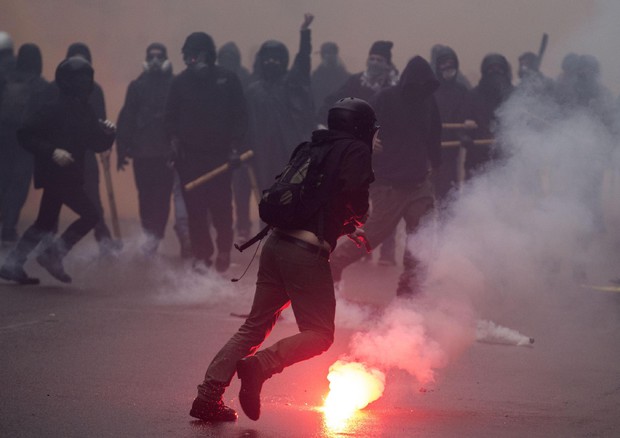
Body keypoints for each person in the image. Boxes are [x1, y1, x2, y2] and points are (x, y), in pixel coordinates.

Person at [189, 97, 376, 422]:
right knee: (319, 333)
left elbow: (314, 200)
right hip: (304, 254)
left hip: (276, 244)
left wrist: (344, 228)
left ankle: (208, 396)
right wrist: (358, 219)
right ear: (361, 128)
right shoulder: (356, 151)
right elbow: (355, 198)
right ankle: (259, 367)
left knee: (255, 325)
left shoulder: (312, 147)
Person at [330, 56, 441, 297]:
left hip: (419, 183)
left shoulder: (429, 102)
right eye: (417, 86)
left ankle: (408, 290)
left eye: (426, 86)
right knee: (372, 237)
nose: (421, 91)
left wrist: (437, 166)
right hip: (388, 184)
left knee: (421, 238)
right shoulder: (386, 98)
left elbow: (434, 137)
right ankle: (333, 265)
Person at [0, 56, 116, 285]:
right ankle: (53, 255)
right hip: (55, 175)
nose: (83, 83)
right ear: (67, 81)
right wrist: (53, 151)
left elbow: (96, 144)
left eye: (85, 78)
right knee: (90, 215)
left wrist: (110, 134)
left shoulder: (86, 110)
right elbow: (25, 134)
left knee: (44, 222)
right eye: (78, 78)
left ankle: (12, 264)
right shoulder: (51, 109)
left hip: (70, 174)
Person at [164, 32, 247, 273]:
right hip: (190, 159)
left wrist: (234, 147)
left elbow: (240, 116)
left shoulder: (228, 80)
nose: (192, 61)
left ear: (208, 55)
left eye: (196, 56)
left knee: (222, 208)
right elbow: (169, 119)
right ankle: (202, 256)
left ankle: (223, 250)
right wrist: (173, 142)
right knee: (195, 212)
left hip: (220, 158)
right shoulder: (180, 83)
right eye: (188, 57)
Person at [319, 40, 399, 265]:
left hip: (388, 158)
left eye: (379, 60)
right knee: (357, 203)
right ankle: (362, 248)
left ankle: (387, 253)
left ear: (387, 64)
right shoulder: (355, 82)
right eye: (371, 59)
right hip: (358, 155)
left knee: (387, 207)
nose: (374, 63)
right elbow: (332, 103)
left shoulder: (396, 88)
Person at [116, 42, 175, 255]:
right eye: (151, 56)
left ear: (167, 59)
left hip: (166, 153)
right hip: (142, 153)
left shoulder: (175, 86)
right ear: (146, 59)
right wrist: (122, 149)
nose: (155, 61)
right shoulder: (137, 86)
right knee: (145, 196)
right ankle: (148, 234)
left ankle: (155, 235)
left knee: (162, 197)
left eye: (160, 56)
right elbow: (127, 118)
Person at [246, 13, 316, 192]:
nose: (272, 62)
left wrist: (304, 32)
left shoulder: (290, 84)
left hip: (289, 150)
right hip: (262, 153)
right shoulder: (253, 91)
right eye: (268, 59)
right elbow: (244, 122)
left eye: (276, 59)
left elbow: (302, 63)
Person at [0, 43, 49, 247]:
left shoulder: (6, 81)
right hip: (27, 143)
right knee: (18, 185)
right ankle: (9, 229)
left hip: (4, 138)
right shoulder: (41, 85)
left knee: (3, 180)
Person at [217, 41, 254, 240]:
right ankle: (221, 224)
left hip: (241, 140)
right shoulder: (213, 78)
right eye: (224, 58)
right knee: (218, 187)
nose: (227, 62)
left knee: (241, 188)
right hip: (218, 141)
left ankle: (242, 225)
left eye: (230, 58)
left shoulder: (246, 78)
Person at [431, 45, 475, 203]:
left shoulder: (461, 90)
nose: (448, 68)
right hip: (430, 150)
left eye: (451, 64)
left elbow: (465, 116)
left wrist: (463, 133)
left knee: (448, 192)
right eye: (443, 64)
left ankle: (447, 226)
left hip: (450, 151)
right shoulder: (429, 89)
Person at [466, 53, 514, 179]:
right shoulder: (473, 96)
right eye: (491, 69)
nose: (495, 72)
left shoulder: (514, 96)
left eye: (499, 69)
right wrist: (464, 136)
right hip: (479, 155)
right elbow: (464, 120)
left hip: (507, 154)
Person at [311, 41, 349, 112]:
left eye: (333, 53)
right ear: (323, 56)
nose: (330, 56)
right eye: (328, 53)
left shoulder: (346, 77)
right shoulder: (315, 78)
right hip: (321, 115)